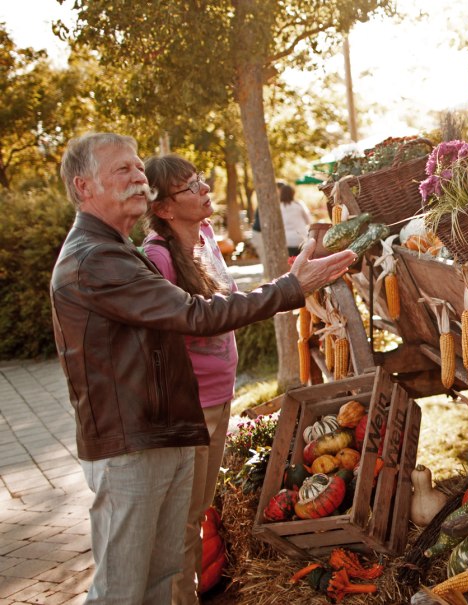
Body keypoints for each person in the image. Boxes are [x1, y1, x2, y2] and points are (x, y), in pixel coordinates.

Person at [50, 132, 355, 604]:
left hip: (163, 432)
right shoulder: (96, 260)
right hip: (133, 444)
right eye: (121, 170)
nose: (137, 177)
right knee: (122, 590)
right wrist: (290, 288)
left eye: (137, 167)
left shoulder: (116, 250)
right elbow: (196, 314)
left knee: (159, 579)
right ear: (83, 187)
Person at [141, 155, 237, 604]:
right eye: (190, 187)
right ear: (163, 208)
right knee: (184, 519)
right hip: (192, 404)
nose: (203, 189)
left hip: (221, 395)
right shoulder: (156, 258)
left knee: (199, 513)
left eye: (201, 180)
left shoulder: (204, 238)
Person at [250, 182, 313, 258]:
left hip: (286, 241)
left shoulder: (278, 208)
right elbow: (309, 221)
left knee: (290, 261)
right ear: (293, 193)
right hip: (301, 239)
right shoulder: (299, 205)